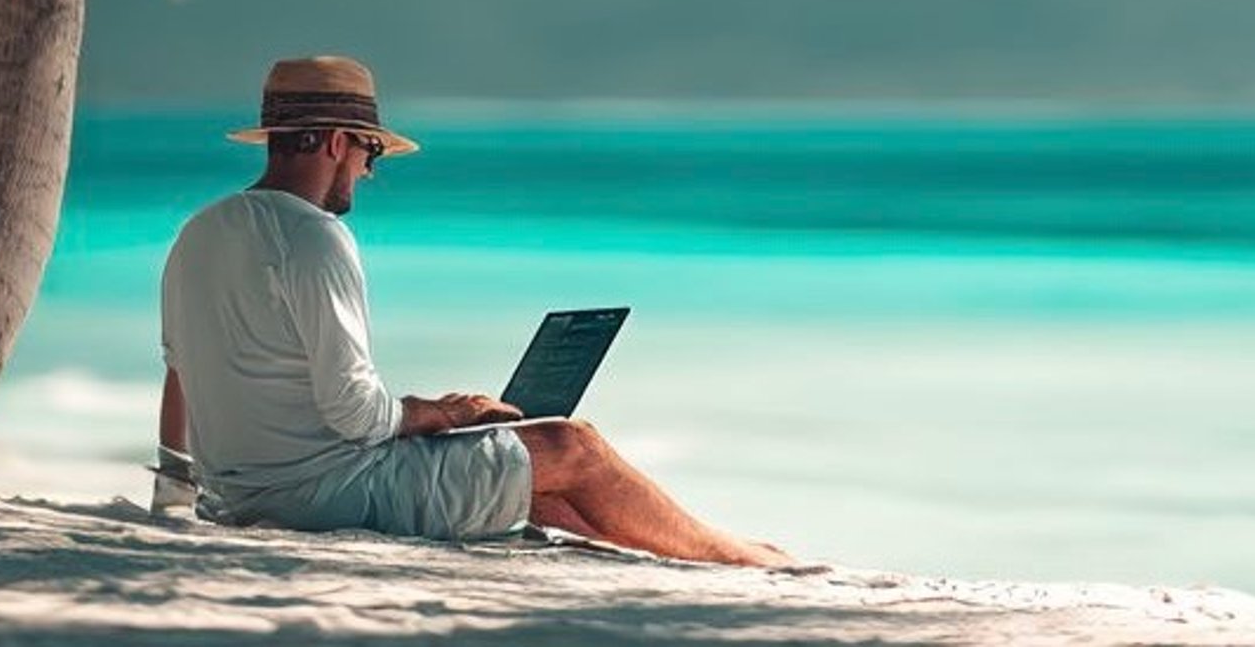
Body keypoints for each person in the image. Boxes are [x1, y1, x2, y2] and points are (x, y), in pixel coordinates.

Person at [150, 56, 788, 568]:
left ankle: (677, 551)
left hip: (240, 497)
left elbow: (179, 377)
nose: (369, 172)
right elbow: (355, 413)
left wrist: (174, 496)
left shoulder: (197, 233)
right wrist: (445, 414)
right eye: (370, 153)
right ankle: (738, 556)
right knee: (572, 444)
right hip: (322, 496)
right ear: (340, 142)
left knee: (522, 465)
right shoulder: (315, 236)